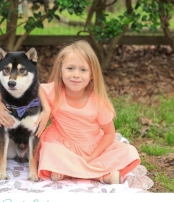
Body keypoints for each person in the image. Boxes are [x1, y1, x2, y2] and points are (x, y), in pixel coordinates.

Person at [36, 40, 141, 184]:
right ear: (61, 70)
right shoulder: (54, 91)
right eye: (70, 68)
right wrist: (46, 109)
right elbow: (36, 88)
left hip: (92, 147)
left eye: (83, 70)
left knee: (129, 152)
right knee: (48, 150)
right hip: (62, 144)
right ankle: (101, 176)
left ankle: (69, 172)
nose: (76, 75)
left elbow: (109, 133)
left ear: (92, 74)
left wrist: (92, 157)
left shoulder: (98, 101)